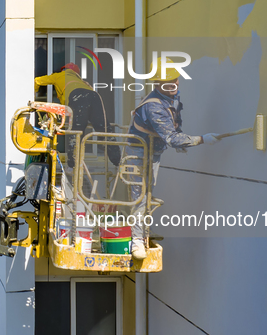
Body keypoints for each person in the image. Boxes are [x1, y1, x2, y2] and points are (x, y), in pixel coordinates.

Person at [127, 57, 221, 260]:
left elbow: (174, 127)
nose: (174, 84)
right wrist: (201, 140)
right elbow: (172, 137)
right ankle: (136, 241)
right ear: (157, 84)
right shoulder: (154, 106)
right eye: (169, 82)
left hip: (153, 152)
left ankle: (141, 234)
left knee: (147, 195)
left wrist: (181, 142)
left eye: (175, 79)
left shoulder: (170, 98)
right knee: (140, 196)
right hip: (138, 154)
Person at [34, 63, 121, 168]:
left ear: (63, 70)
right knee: (104, 129)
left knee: (77, 130)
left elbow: (37, 81)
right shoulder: (82, 82)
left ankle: (73, 165)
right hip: (95, 96)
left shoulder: (58, 76)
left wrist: (35, 93)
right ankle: (118, 161)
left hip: (77, 96)